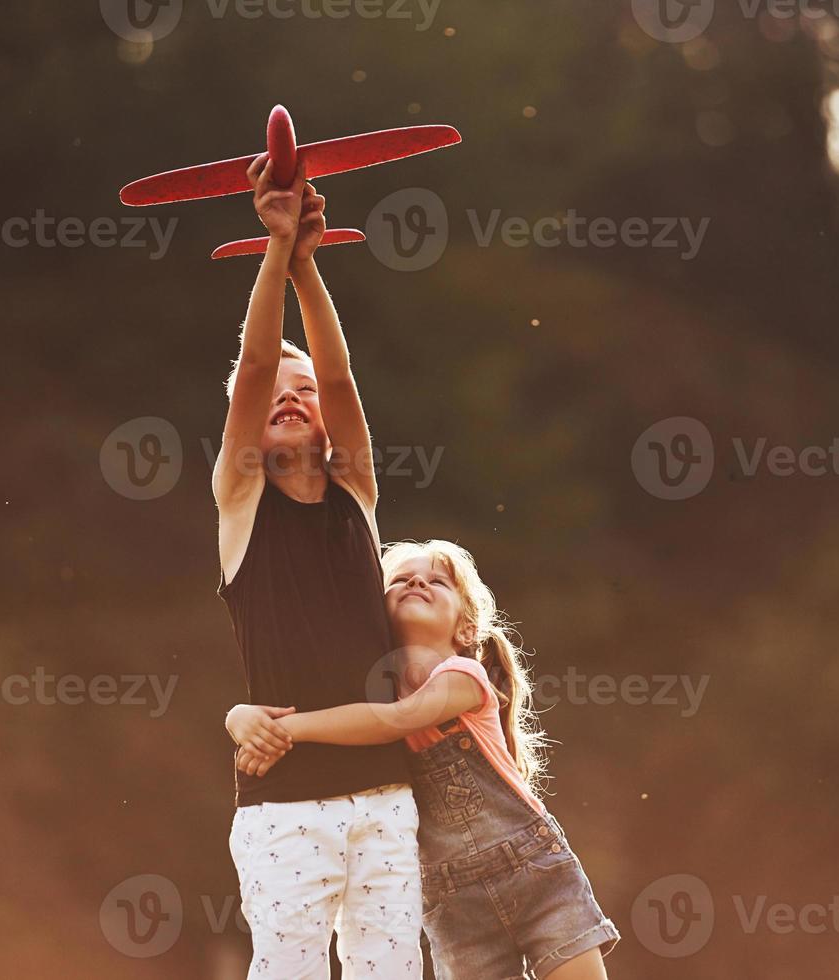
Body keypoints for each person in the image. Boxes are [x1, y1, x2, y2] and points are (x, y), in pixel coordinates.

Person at [229, 540, 621, 980]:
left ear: (466, 628)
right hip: (454, 908)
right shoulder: (363, 701)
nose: (417, 581)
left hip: (534, 876)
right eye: (400, 579)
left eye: (438, 581)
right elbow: (340, 712)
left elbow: (395, 720)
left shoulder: (463, 677)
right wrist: (240, 715)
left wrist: (287, 729)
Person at [215, 152, 419, 979]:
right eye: (270, 397)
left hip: (387, 798)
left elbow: (336, 374)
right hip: (282, 806)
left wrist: (307, 265)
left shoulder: (355, 493)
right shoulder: (238, 501)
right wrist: (273, 249)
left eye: (303, 393)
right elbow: (258, 362)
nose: (289, 395)